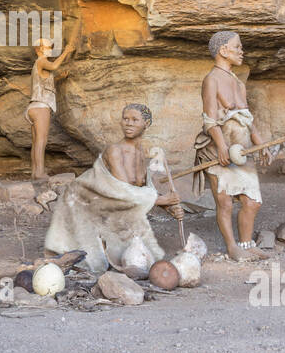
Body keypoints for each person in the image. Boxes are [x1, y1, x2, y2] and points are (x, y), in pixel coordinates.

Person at [44, 103, 182, 273]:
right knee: (95, 264)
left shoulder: (141, 154)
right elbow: (122, 193)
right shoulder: (115, 151)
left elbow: (144, 189)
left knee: (138, 255)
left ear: (146, 124)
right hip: (81, 204)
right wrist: (162, 200)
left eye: (134, 120)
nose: (129, 123)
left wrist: (169, 207)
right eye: (125, 119)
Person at [194, 31, 273, 261]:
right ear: (223, 50)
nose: (242, 51)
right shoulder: (212, 80)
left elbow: (248, 119)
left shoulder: (238, 82)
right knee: (225, 202)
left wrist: (261, 145)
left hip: (241, 152)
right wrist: (221, 147)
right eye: (237, 47)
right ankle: (232, 247)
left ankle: (247, 244)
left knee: (252, 201)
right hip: (217, 150)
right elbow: (209, 119)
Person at [26, 26, 79, 179]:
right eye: (46, 47)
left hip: (33, 107)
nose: (49, 49)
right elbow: (55, 65)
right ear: (38, 50)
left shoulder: (39, 67)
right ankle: (41, 173)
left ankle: (35, 172)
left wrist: (59, 78)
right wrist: (66, 52)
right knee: (42, 141)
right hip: (41, 107)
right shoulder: (41, 61)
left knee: (36, 142)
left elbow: (45, 81)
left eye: (50, 47)